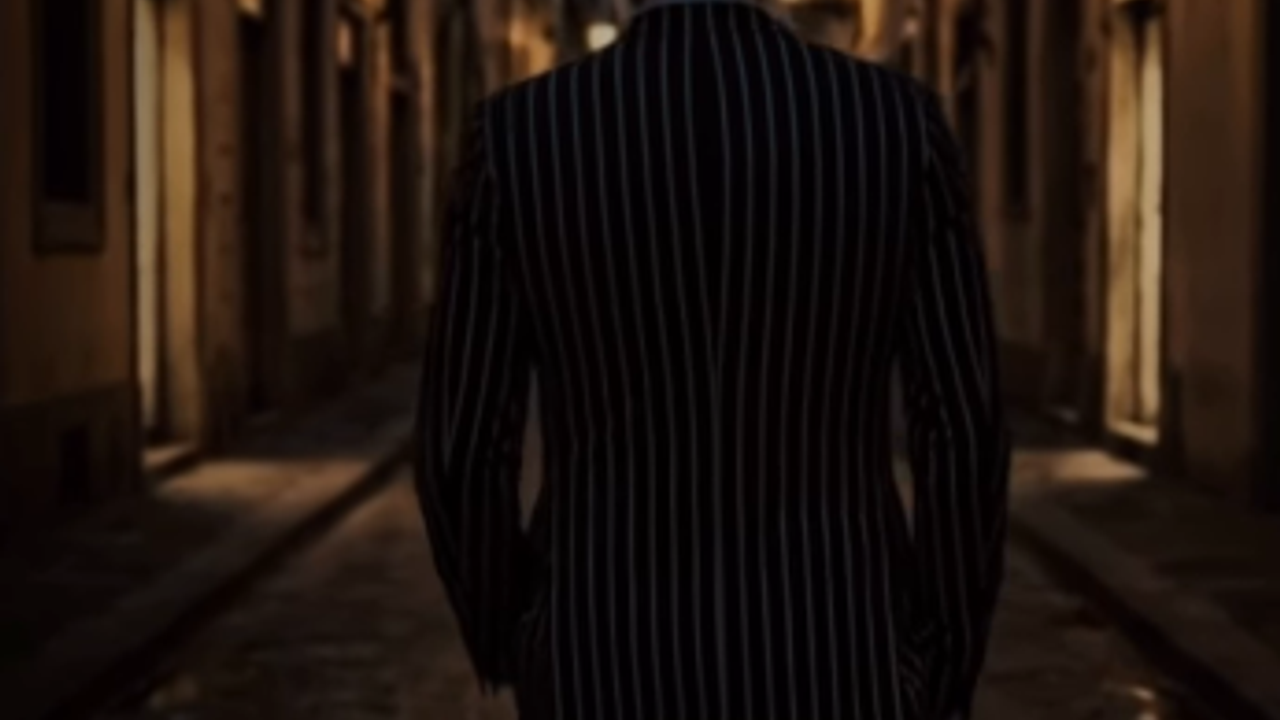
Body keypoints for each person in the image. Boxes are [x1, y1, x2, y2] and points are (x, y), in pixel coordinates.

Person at [413, 0, 1011, 717]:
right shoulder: (897, 129)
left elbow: (462, 444)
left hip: (601, 661)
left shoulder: (519, 140)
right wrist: (941, 657)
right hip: (841, 653)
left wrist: (518, 636)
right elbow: (963, 426)